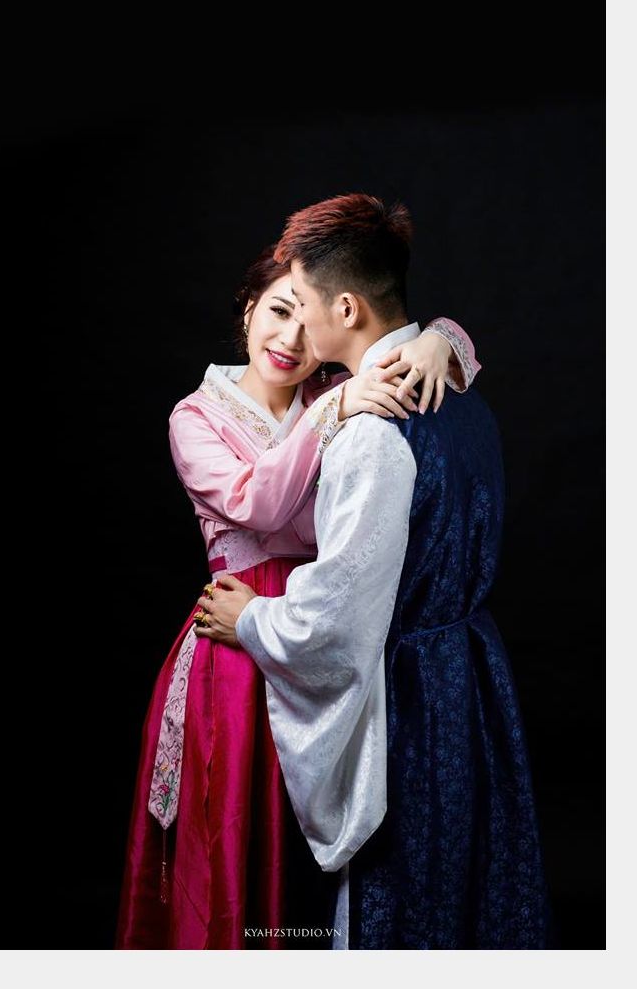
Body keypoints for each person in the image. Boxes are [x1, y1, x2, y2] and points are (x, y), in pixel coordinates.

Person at [196, 194, 551, 949]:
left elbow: (334, 620)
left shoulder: (369, 430)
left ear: (347, 308)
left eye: (305, 303)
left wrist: (251, 618)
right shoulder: (460, 393)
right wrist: (443, 338)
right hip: (471, 672)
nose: (297, 325)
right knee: (469, 880)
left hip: (410, 694)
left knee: (407, 896)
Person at [115, 242, 480, 949]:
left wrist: (441, 340)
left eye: (305, 324)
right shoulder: (197, 417)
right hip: (240, 640)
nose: (290, 339)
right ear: (248, 308)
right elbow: (256, 503)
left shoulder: (331, 388)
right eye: (277, 312)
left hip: (331, 637)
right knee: (240, 834)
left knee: (321, 859)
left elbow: (428, 345)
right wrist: (335, 408)